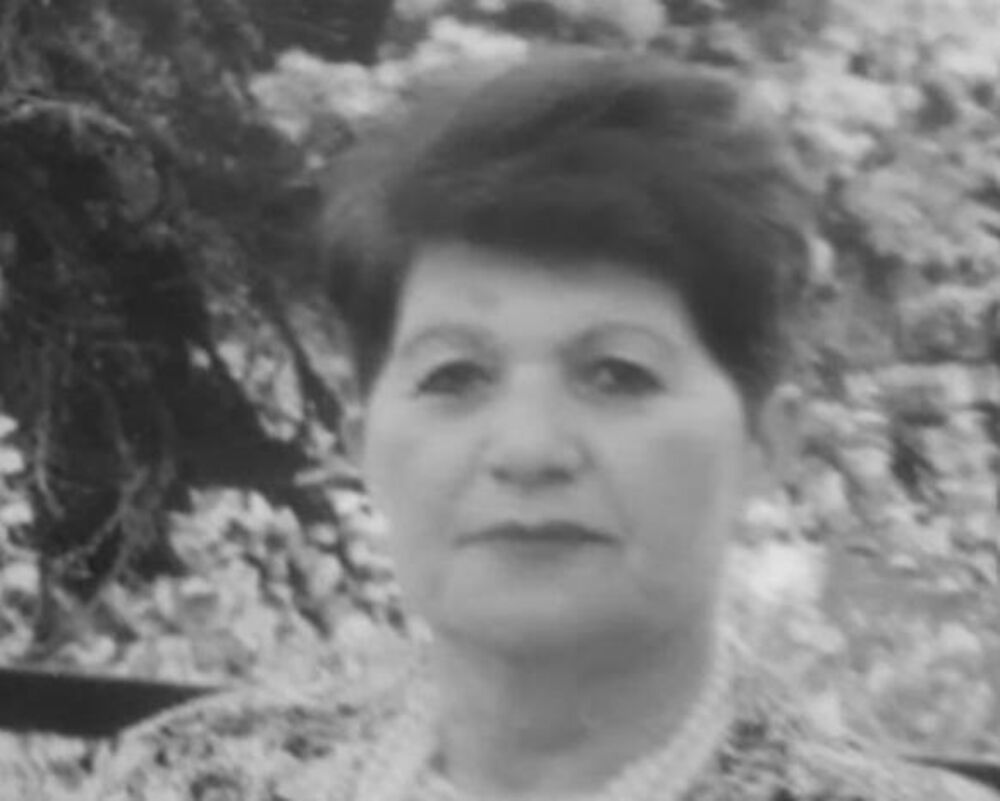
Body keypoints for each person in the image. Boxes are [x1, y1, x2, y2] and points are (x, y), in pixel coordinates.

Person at [89, 49, 998, 801]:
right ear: (363, 446)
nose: (528, 450)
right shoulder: (186, 777)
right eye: (454, 375)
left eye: (618, 374)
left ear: (768, 443)